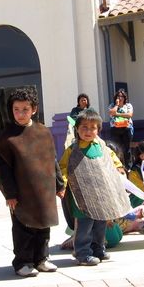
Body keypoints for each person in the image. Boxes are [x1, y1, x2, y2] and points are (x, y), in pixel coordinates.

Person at [0, 86, 64, 277]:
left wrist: (59, 184)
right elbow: (3, 168)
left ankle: (41, 259)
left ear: (34, 109)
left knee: (43, 225)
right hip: (21, 192)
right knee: (23, 228)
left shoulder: (43, 131)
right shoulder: (7, 136)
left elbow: (53, 159)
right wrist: (10, 194)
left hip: (43, 190)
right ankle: (22, 262)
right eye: (16, 109)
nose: (20, 114)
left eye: (25, 109)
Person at [59, 109, 132, 266]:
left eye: (93, 127)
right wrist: (62, 184)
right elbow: (63, 168)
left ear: (98, 130)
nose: (88, 131)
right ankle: (82, 253)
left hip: (101, 194)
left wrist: (119, 169)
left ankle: (98, 248)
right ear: (77, 129)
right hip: (82, 196)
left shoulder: (101, 147)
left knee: (100, 224)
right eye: (84, 127)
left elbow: (112, 159)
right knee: (84, 226)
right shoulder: (72, 150)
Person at [108, 89, 134, 169]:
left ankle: (128, 167)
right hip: (115, 129)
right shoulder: (112, 105)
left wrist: (118, 114)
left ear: (124, 97)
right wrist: (116, 105)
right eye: (118, 96)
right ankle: (119, 166)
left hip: (126, 128)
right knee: (117, 148)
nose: (120, 97)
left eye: (122, 96)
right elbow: (112, 113)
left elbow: (129, 115)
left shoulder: (128, 105)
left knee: (127, 149)